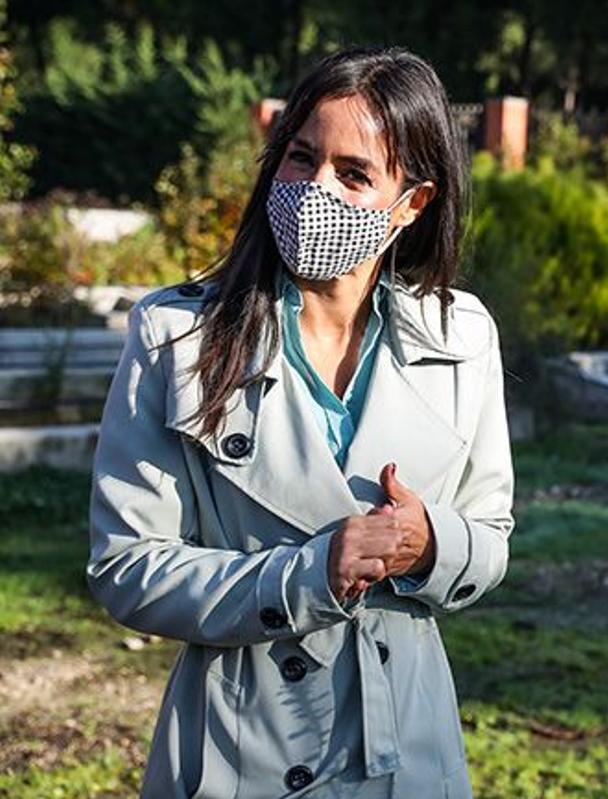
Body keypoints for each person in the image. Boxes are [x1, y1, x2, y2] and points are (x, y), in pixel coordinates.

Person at [86, 45, 514, 799]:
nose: (314, 189)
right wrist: (306, 574)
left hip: (405, 748)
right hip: (239, 746)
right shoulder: (176, 336)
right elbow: (127, 565)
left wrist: (428, 542)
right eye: (300, 158)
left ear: (411, 203)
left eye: (353, 174)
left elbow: (490, 538)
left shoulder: (462, 337)